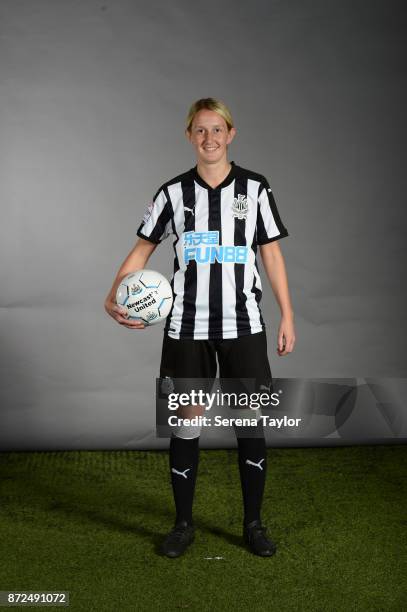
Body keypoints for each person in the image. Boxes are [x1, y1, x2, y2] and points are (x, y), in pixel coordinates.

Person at [104, 97, 296, 558]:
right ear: (189, 136)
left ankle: (253, 525)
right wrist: (112, 292)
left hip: (243, 324)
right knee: (184, 425)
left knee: (249, 423)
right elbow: (142, 249)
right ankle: (183, 524)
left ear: (231, 134)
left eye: (217, 130)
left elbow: (270, 252)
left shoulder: (255, 188)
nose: (209, 138)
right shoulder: (172, 194)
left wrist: (288, 314)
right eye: (200, 131)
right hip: (185, 326)